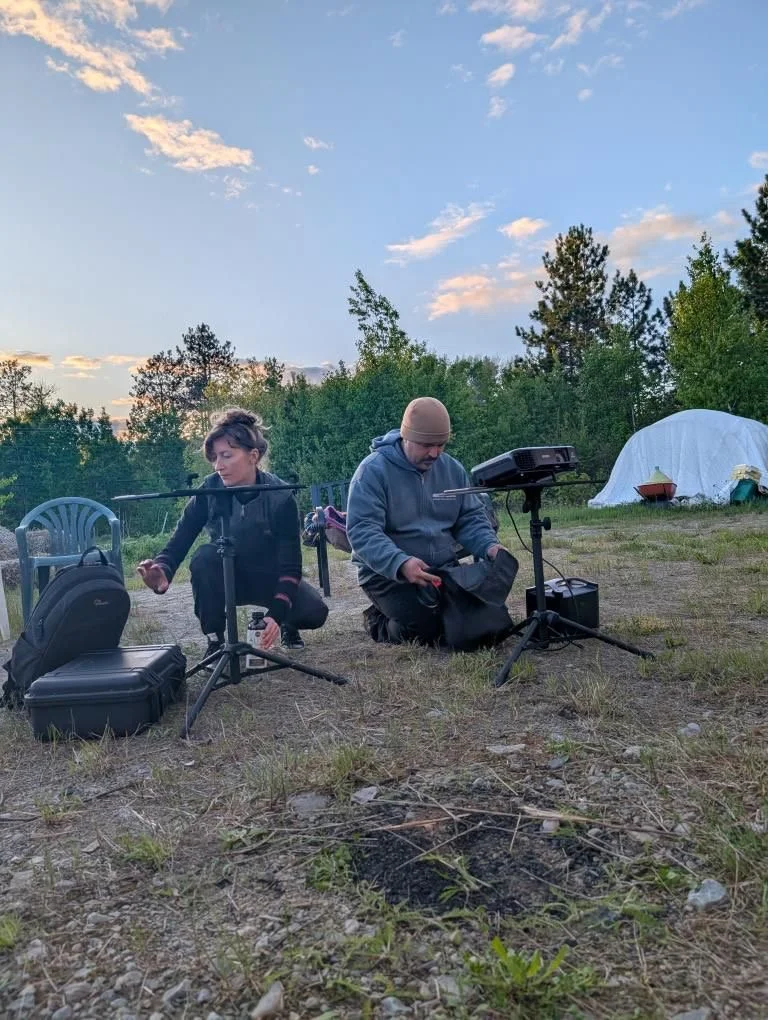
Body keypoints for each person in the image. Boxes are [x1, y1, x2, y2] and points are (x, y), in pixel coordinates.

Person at [137, 408, 328, 655]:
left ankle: (286, 624)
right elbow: (181, 538)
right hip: (226, 575)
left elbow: (290, 566)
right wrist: (163, 569)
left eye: (226, 456)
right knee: (204, 558)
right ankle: (216, 642)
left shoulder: (280, 497)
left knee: (315, 612)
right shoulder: (209, 490)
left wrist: (276, 615)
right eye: (215, 457)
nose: (218, 465)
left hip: (269, 577)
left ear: (253, 456)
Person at [346, 396, 513, 647]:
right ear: (406, 437)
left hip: (440, 567)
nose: (435, 453)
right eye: (426, 445)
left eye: (441, 445)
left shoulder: (452, 469)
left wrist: (489, 545)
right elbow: (362, 531)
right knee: (429, 630)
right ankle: (379, 621)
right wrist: (400, 563)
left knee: (478, 622)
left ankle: (421, 610)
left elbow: (469, 518)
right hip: (387, 574)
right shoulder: (372, 471)